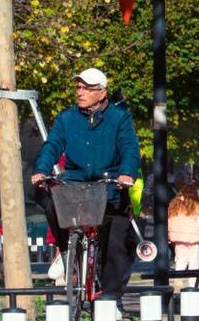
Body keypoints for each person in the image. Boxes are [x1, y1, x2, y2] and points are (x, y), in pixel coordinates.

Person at [31, 67, 140, 299]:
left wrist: (126, 173)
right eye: (78, 87)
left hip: (109, 185)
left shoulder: (120, 118)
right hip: (76, 184)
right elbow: (52, 145)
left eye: (86, 88)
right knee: (47, 199)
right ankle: (65, 250)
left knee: (116, 244)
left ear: (102, 93)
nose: (80, 92)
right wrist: (41, 170)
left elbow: (130, 147)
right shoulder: (66, 118)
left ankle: (111, 299)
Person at [168, 182, 199, 289]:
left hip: (178, 239)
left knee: (180, 260)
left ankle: (178, 281)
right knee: (194, 263)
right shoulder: (198, 206)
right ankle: (193, 285)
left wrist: (169, 234)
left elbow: (170, 221)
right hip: (194, 238)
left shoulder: (174, 205)